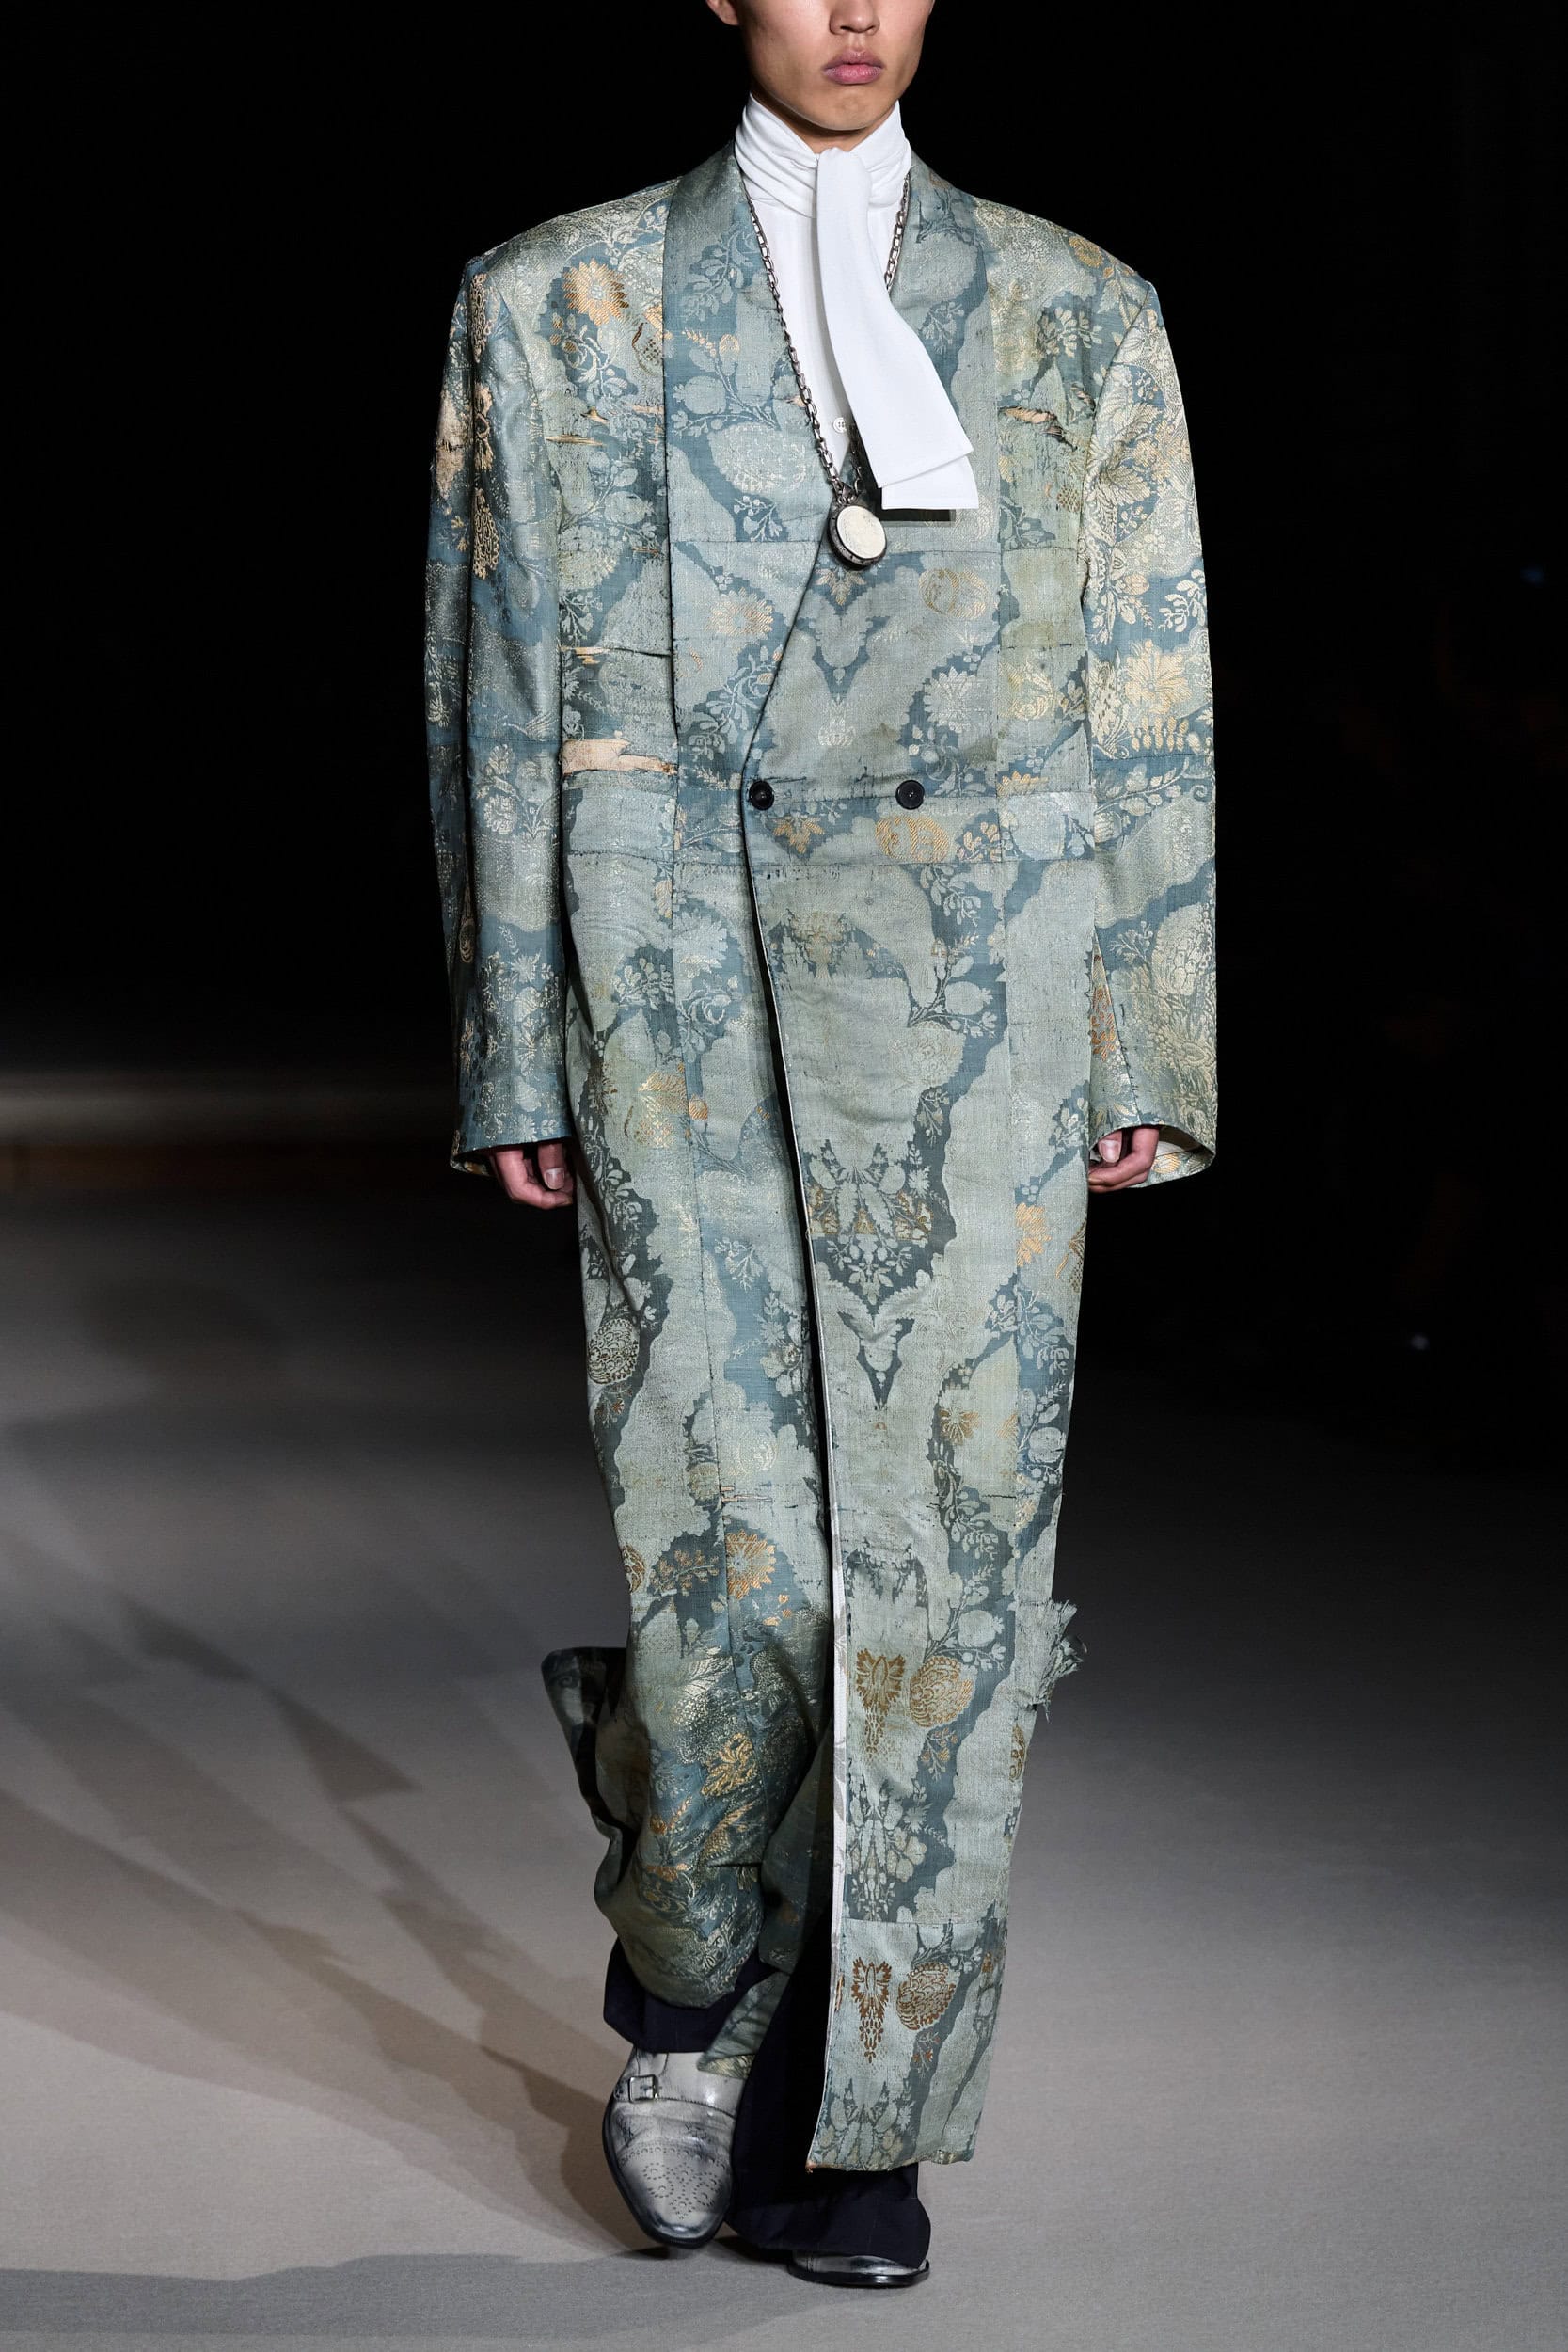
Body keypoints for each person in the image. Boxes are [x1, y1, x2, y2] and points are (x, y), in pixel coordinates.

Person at [425, 0, 1216, 2292]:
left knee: (951, 1575)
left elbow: (1148, 680)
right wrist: (516, 1043)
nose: (857, 14)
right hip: (677, 979)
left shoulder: (1075, 308)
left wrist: (1146, 1023)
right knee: (734, 1562)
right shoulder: (555, 299)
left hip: (982, 990)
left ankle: (861, 2116)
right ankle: (690, 1985)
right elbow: (494, 680)